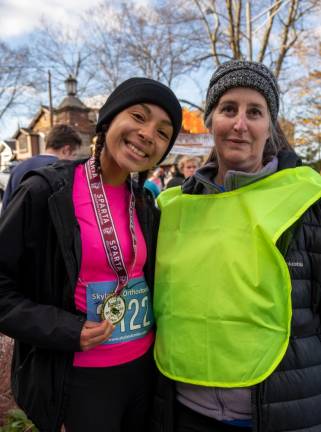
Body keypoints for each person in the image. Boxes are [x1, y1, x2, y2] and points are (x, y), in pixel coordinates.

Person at [0, 77, 182, 432]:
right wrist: (66, 329)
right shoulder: (45, 191)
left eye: (163, 132)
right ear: (109, 119)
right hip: (81, 380)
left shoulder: (145, 203)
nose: (148, 134)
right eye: (138, 116)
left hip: (142, 374)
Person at [151, 60, 321, 432]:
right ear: (211, 120)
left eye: (255, 112)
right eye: (228, 109)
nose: (240, 124)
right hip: (184, 413)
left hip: (280, 412)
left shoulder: (308, 201)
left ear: (269, 125)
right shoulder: (171, 208)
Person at [2, 124, 82, 210]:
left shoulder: (18, 168)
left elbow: (6, 210)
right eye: (74, 155)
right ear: (65, 150)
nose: (74, 159)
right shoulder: (65, 171)